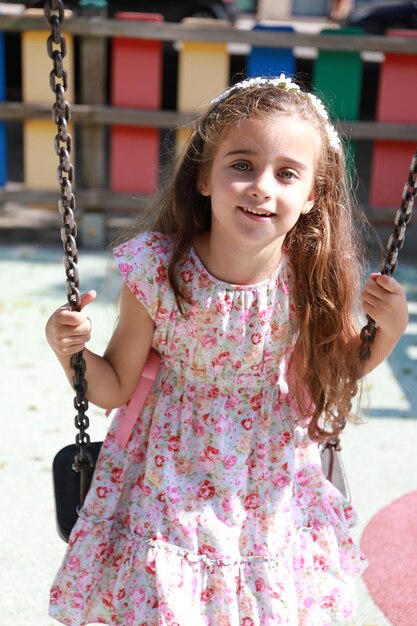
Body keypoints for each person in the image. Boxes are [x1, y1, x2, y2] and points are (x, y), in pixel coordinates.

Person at [45, 74, 408, 626]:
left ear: (312, 197)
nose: (262, 186)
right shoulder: (158, 272)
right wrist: (69, 350)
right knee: (168, 597)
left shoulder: (311, 281)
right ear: (205, 179)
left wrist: (389, 329)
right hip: (166, 466)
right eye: (242, 165)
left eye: (287, 174)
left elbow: (339, 373)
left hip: (268, 473)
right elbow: (115, 386)